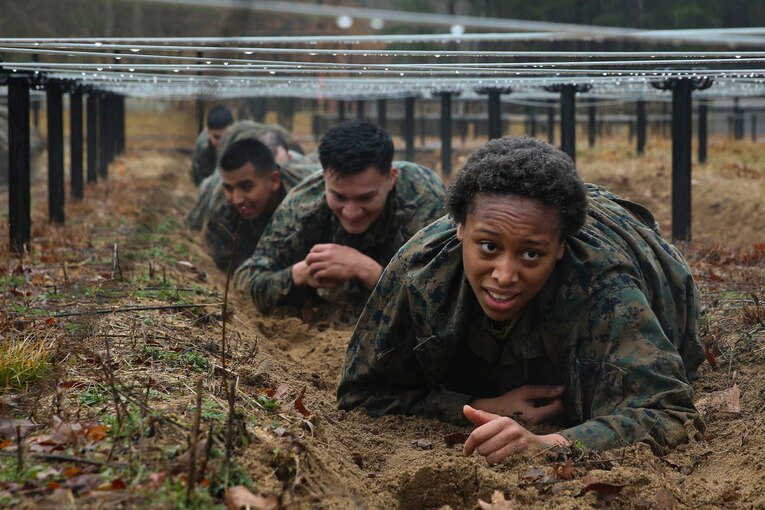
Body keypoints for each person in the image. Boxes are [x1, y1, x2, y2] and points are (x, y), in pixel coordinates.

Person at [337, 136, 705, 463]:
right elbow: (361, 392)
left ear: (560, 248)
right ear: (460, 229)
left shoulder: (604, 288)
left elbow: (670, 410)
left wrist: (553, 443)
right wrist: (478, 407)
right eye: (489, 247)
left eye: (531, 254)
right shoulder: (420, 271)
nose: (505, 274)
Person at [234, 121, 446, 315]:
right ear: (324, 178)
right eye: (338, 196)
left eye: (366, 197)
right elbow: (255, 284)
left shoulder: (424, 201)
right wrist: (299, 274)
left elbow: (441, 302)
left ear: (391, 179)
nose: (351, 212)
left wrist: (367, 270)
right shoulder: (303, 206)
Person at [195, 137, 317, 272]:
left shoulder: (309, 202)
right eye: (229, 188)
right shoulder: (223, 217)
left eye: (246, 187)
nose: (236, 199)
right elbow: (237, 270)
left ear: (274, 181)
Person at [191, 105, 234, 186]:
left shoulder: (240, 141)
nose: (222, 142)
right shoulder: (202, 148)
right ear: (208, 132)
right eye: (217, 137)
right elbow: (200, 181)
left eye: (226, 136)